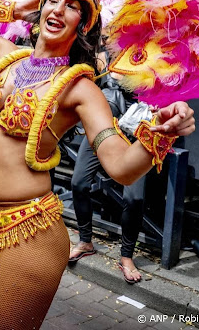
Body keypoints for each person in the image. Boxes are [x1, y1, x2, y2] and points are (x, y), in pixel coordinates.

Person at [0, 0, 195, 330]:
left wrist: (159, 136)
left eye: (73, 6)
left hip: (31, 228)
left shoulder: (80, 88)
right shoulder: (6, 57)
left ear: (84, 25)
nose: (59, 9)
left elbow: (121, 167)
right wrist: (16, 8)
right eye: (54, 0)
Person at [69, 51, 148, 284]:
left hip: (138, 128)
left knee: (134, 198)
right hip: (104, 123)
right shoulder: (111, 51)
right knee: (78, 182)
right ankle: (85, 241)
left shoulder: (158, 51)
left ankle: (126, 256)